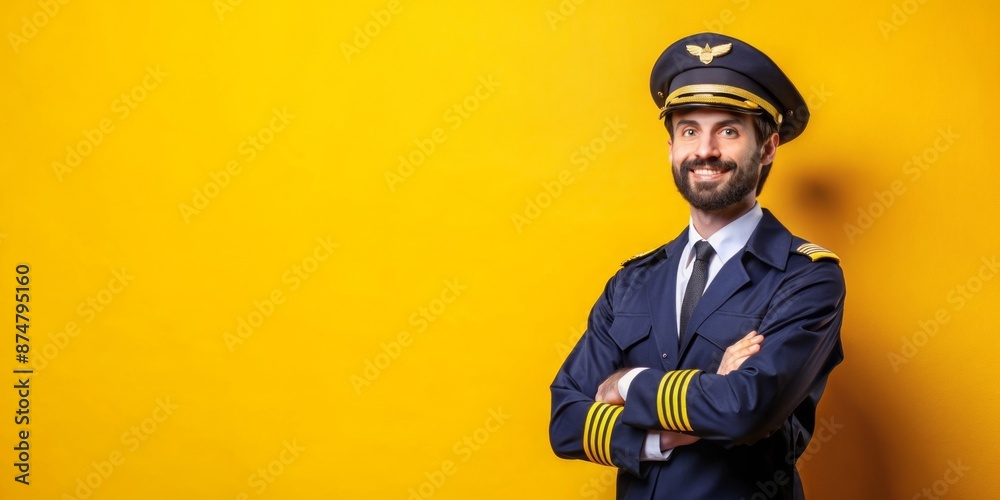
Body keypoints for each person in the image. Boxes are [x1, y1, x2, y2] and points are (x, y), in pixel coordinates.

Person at [549, 32, 845, 499]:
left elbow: (744, 410)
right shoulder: (632, 282)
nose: (705, 150)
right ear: (671, 146)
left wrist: (625, 382)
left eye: (728, 131)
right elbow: (565, 423)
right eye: (689, 131)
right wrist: (666, 434)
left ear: (767, 148)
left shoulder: (806, 277)